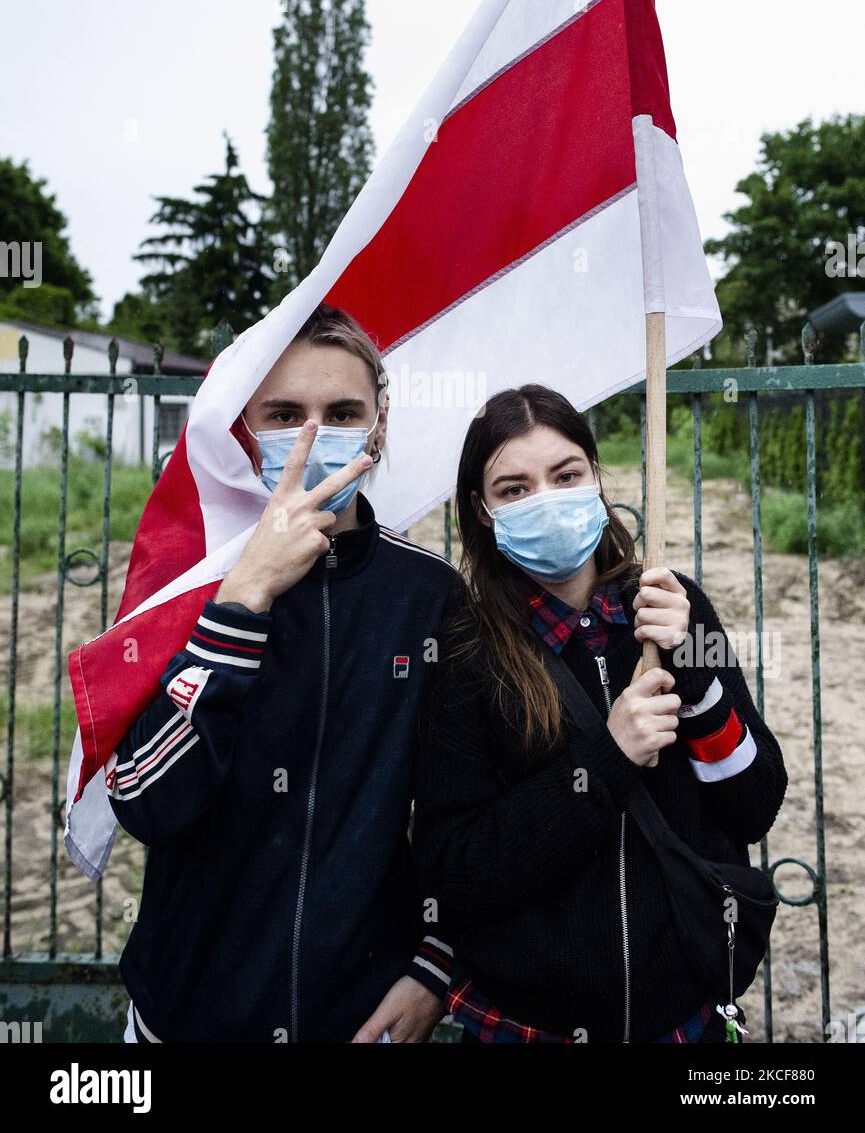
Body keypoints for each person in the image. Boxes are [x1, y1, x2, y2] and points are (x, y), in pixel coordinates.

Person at [109, 304, 462, 1043]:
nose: (311, 438)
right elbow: (144, 799)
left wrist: (435, 965)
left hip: (360, 1019)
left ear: (380, 425)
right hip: (187, 1015)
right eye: (283, 415)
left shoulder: (427, 594)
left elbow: (466, 806)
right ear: (246, 428)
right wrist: (241, 600)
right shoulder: (189, 580)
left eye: (340, 413)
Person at [411, 383, 788, 1044]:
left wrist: (692, 675)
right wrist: (606, 761)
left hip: (680, 1019)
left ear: (594, 475)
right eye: (515, 489)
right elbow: (454, 873)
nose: (547, 501)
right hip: (525, 1025)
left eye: (565, 475)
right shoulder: (464, 649)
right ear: (482, 508)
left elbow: (752, 806)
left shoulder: (673, 608)